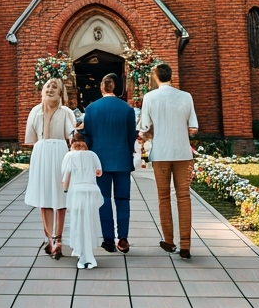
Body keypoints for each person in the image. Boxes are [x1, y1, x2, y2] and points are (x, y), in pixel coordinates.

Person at [137, 62, 198, 260]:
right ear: (171, 75)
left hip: (161, 153)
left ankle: (170, 241)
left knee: (164, 197)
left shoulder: (150, 97)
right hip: (182, 152)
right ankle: (186, 245)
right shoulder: (186, 96)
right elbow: (193, 128)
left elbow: (144, 129)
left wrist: (152, 135)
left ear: (155, 76)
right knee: (184, 197)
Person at [81, 73, 137, 253]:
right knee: (123, 199)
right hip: (122, 159)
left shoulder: (91, 109)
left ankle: (108, 239)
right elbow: (131, 137)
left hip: (99, 161)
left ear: (102, 88)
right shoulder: (127, 109)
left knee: (103, 199)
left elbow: (87, 136)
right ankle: (123, 238)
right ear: (117, 88)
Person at [24, 77, 75, 258]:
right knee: (44, 197)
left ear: (61, 93)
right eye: (48, 86)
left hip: (60, 153)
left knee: (61, 197)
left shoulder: (66, 112)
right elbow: (31, 138)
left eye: (55, 87)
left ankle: (58, 238)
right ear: (42, 90)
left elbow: (71, 134)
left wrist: (75, 139)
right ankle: (50, 239)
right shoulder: (35, 111)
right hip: (41, 154)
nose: (50, 89)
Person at [60, 130, 103, 270]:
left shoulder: (69, 156)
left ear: (72, 143)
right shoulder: (93, 155)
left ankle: (82, 256)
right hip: (91, 191)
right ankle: (89, 256)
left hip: (76, 192)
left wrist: (65, 191)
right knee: (89, 223)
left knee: (78, 223)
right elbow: (99, 173)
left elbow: (66, 178)